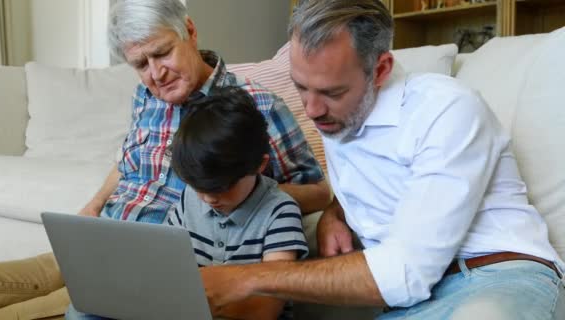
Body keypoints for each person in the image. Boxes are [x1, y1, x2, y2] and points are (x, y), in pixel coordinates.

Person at [0, 1, 330, 319]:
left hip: (154, 260)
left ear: (189, 30)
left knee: (53, 309)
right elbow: (127, 161)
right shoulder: (146, 97)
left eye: (162, 53)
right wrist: (93, 206)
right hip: (106, 234)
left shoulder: (255, 107)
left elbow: (317, 190)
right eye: (141, 63)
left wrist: (232, 189)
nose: (155, 73)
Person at [199, 1, 565, 319]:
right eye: (301, 87)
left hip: (496, 278)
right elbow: (387, 178)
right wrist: (335, 212)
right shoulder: (342, 114)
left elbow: (406, 270)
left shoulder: (446, 110)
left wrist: (247, 278)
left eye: (331, 91)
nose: (311, 110)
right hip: (412, 305)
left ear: (381, 69)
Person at [67, 86, 309, 320]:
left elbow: (264, 310)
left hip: (232, 314)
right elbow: (165, 266)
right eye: (199, 188)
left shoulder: (280, 212)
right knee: (82, 311)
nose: (209, 198)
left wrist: (189, 297)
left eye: (221, 188)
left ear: (259, 165)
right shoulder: (190, 199)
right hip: (186, 311)